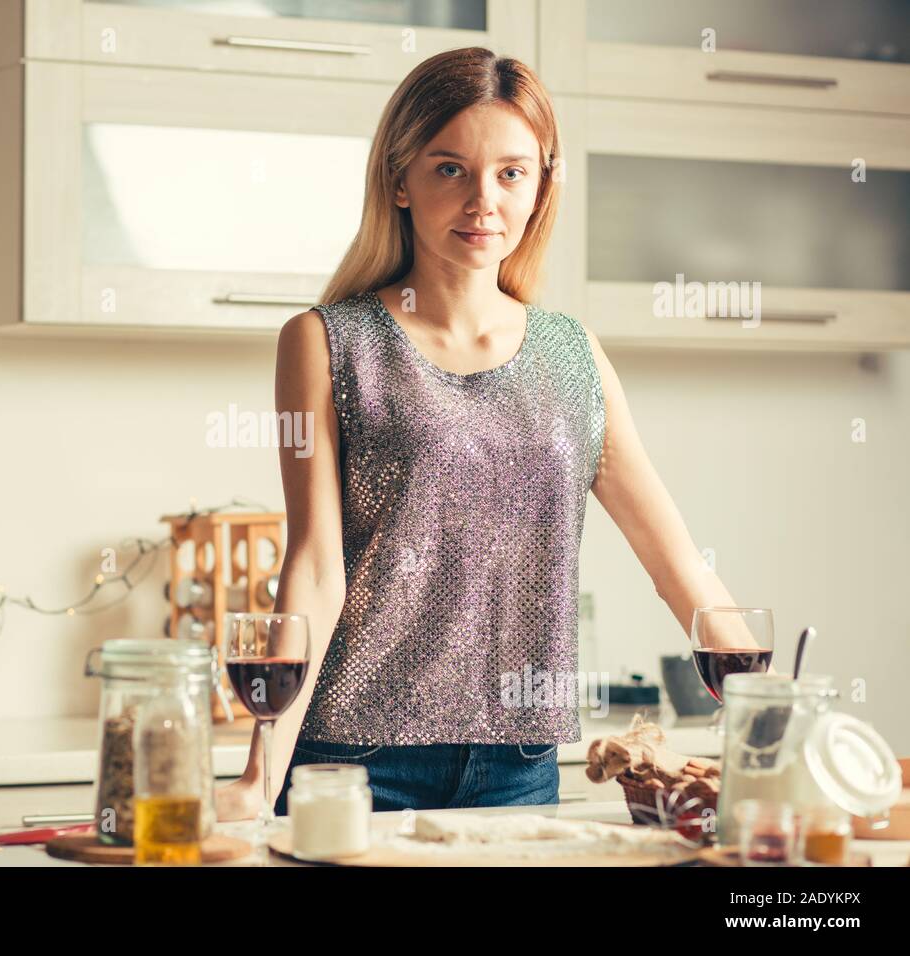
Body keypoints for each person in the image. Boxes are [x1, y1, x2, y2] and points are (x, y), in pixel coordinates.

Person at [215, 47, 740, 820]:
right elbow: (316, 567)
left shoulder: (574, 355)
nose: (483, 202)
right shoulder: (326, 343)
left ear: (541, 184)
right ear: (399, 180)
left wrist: (772, 711)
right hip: (355, 762)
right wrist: (262, 776)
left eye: (511, 173)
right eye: (450, 169)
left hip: (520, 766)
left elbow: (676, 564)